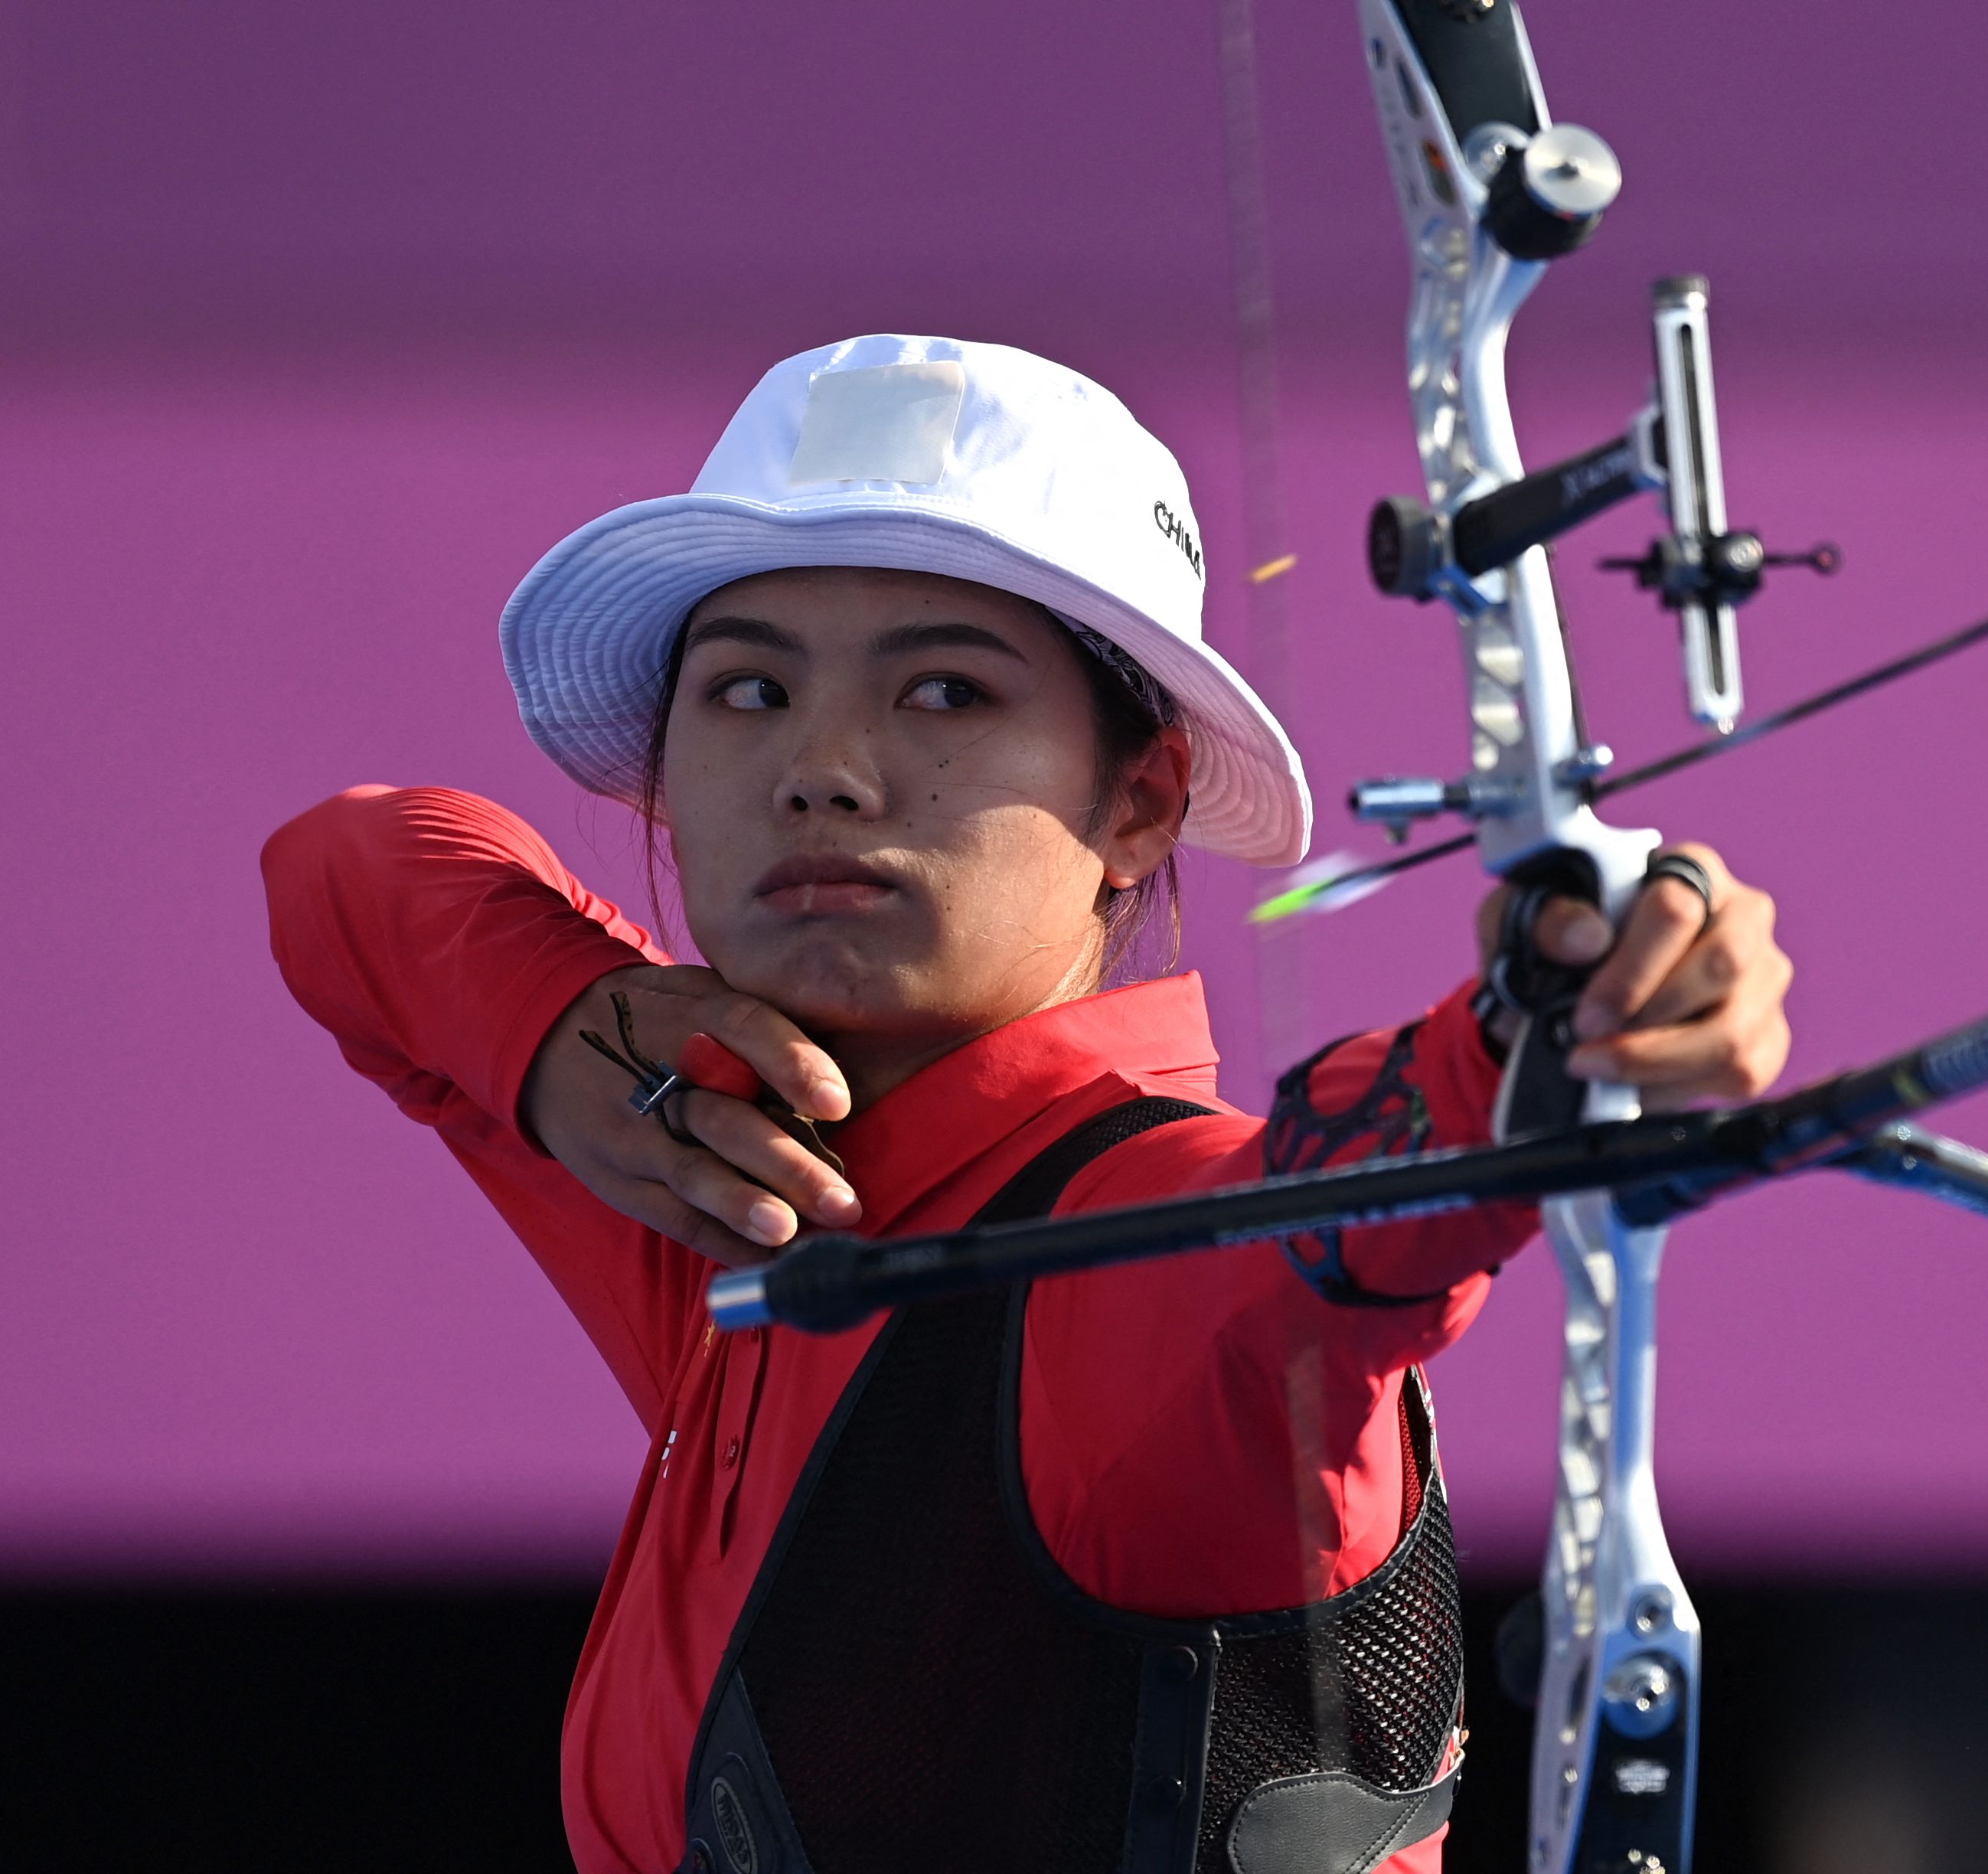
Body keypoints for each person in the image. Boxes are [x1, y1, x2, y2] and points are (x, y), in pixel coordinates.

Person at [262, 335, 1792, 1874]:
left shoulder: (1127, 1254)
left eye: (942, 689)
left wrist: (1576, 1006)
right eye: (746, 688)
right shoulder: (727, 1187)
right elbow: (350, 869)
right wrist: (553, 1017)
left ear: (1137, 800)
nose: (823, 768)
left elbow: (1344, 1219)